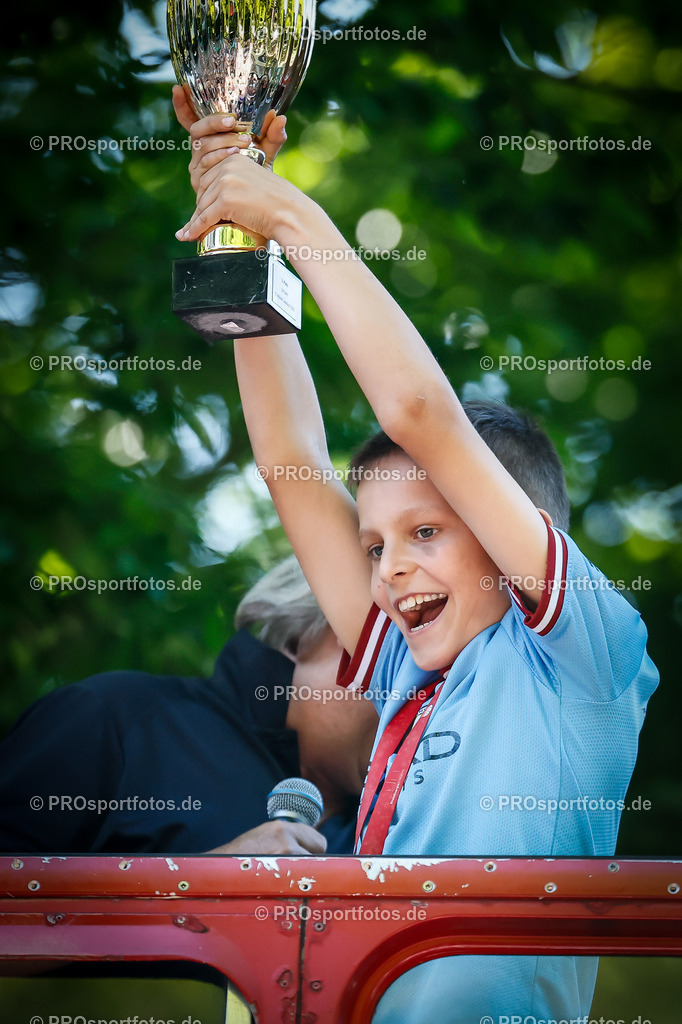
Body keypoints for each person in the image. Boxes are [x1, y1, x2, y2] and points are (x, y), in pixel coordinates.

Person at [171, 87, 659, 1023]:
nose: (388, 569)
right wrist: (240, 222)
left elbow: (419, 415)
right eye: (374, 544)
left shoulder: (580, 661)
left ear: (510, 537)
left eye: (426, 534)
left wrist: (294, 216)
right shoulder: (403, 669)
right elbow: (288, 461)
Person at [0, 555, 378, 856]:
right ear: (298, 638)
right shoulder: (113, 716)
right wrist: (201, 893)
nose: (409, 690)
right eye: (389, 653)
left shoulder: (403, 828)